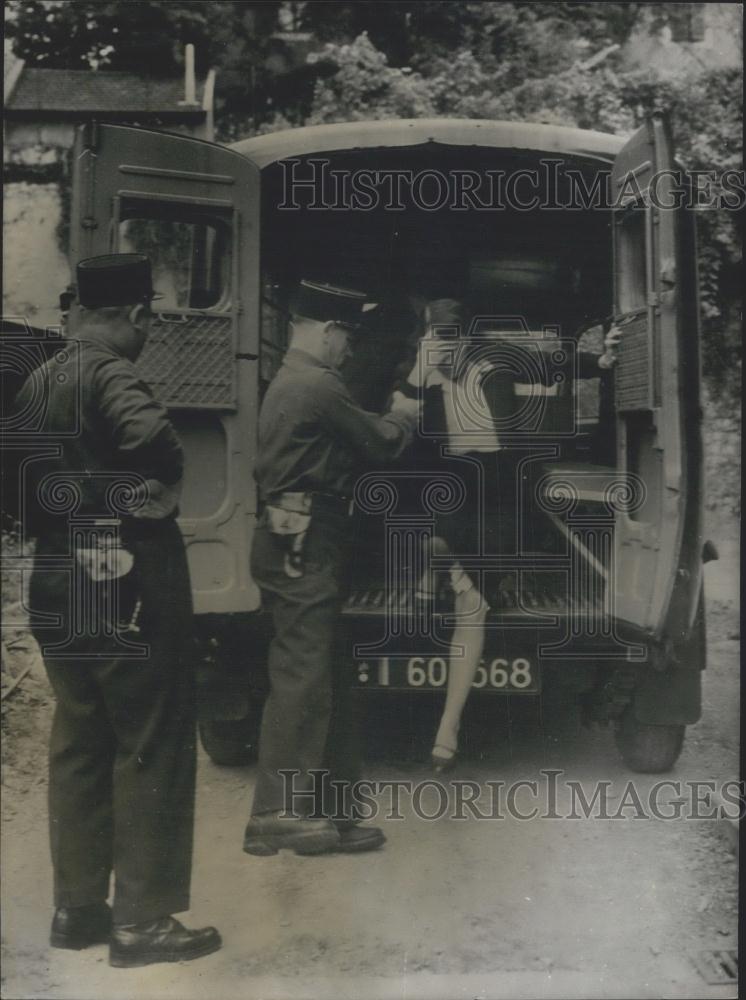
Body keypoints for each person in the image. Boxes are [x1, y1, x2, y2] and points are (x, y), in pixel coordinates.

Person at [14, 254, 221, 968]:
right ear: (132, 316)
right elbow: (154, 443)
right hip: (122, 574)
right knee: (149, 738)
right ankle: (144, 921)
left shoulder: (40, 379)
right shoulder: (110, 372)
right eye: (149, 319)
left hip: (54, 575)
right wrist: (139, 503)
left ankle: (78, 910)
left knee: (80, 735)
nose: (150, 331)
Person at [394, 299, 622, 771]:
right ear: (427, 335)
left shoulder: (494, 358)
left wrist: (600, 360)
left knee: (472, 605)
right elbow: (396, 413)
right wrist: (421, 366)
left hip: (500, 489)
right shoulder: (426, 370)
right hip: (455, 485)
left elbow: (554, 361)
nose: (446, 347)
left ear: (468, 336)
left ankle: (447, 729)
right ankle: (434, 568)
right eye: (439, 337)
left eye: (453, 337)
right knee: (434, 545)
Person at [242, 279, 421, 856]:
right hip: (304, 545)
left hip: (306, 542)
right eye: (348, 336)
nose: (350, 348)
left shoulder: (294, 381)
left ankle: (334, 811)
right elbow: (381, 444)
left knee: (329, 673)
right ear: (326, 330)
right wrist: (406, 412)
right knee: (302, 675)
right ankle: (275, 812)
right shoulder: (318, 384)